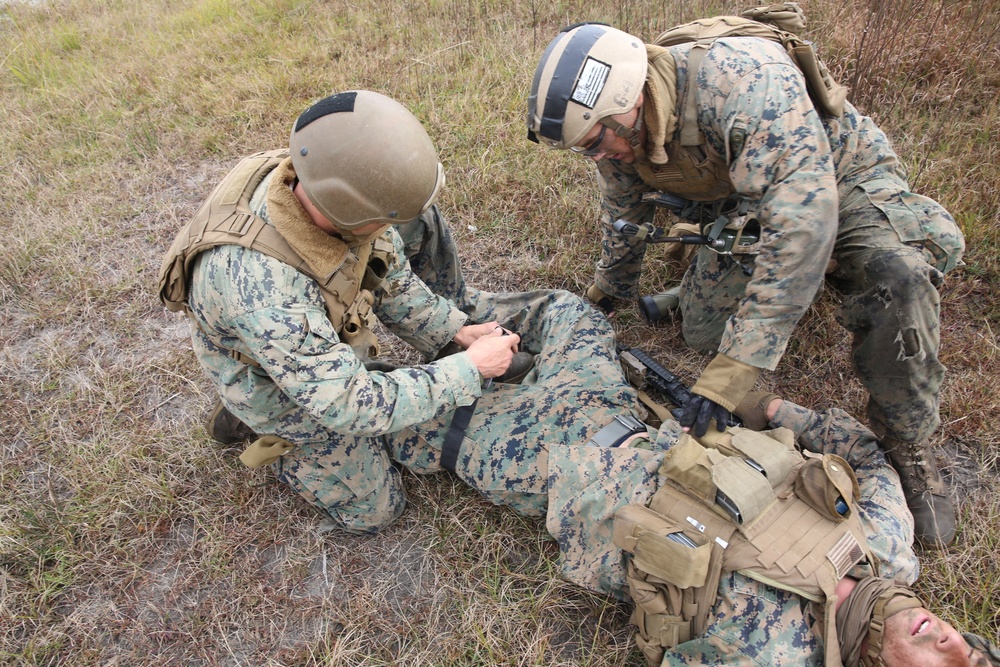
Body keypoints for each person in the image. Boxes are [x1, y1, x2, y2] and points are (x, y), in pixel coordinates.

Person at [524, 10, 966, 547]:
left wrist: (734, 374)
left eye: (596, 143)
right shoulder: (619, 132)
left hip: (837, 179)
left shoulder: (743, 83)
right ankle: (702, 293)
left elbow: (801, 226)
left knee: (896, 278)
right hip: (747, 200)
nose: (596, 155)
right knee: (704, 334)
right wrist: (611, 288)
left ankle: (910, 443)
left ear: (630, 102)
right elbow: (625, 209)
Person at [378, 293, 995, 666]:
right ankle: (457, 332)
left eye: (940, 664)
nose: (944, 638)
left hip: (549, 464)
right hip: (622, 408)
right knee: (570, 313)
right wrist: (768, 411)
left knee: (395, 417)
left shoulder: (774, 652)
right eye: (965, 647)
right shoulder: (887, 543)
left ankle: (382, 374)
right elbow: (868, 458)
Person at [157, 90, 533, 534]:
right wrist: (470, 369)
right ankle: (256, 422)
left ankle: (304, 381)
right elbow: (350, 405)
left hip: (296, 341)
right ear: (348, 211)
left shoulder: (324, 173)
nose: (393, 229)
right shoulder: (263, 291)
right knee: (374, 512)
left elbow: (386, 276)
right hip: (268, 375)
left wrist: (456, 331)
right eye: (383, 220)